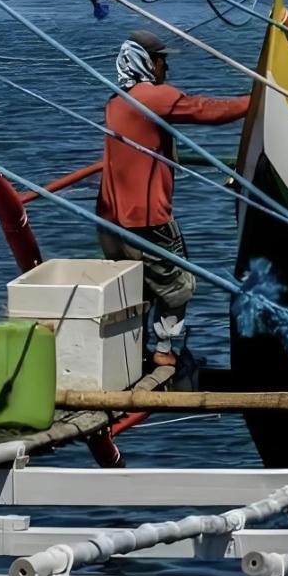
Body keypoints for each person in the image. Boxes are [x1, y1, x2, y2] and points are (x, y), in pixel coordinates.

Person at [96, 30, 251, 367]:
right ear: (149, 63)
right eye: (163, 60)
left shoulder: (116, 100)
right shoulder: (151, 97)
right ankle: (164, 350)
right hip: (146, 218)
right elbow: (204, 110)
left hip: (109, 217)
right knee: (178, 284)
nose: (167, 67)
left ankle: (130, 353)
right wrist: (256, 101)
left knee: (135, 287)